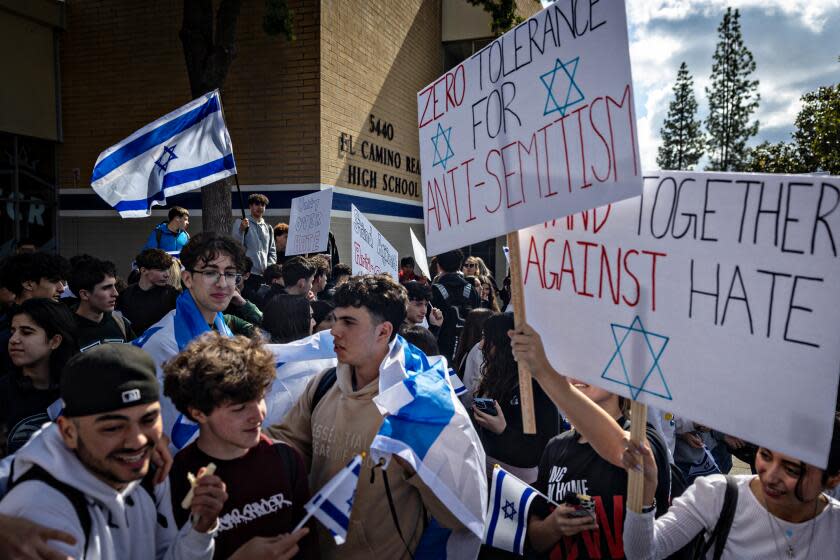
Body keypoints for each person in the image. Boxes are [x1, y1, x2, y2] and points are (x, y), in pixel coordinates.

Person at [267, 275, 467, 558]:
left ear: (383, 332)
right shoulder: (323, 385)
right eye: (335, 319)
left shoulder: (415, 407)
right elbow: (285, 447)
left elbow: (455, 511)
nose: (334, 331)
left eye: (348, 322)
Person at [0, 343, 226, 559]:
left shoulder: (148, 471)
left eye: (148, 419)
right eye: (113, 427)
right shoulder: (42, 513)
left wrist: (199, 529)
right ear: (68, 433)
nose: (137, 440)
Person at [508, 324, 672, 559]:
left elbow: (624, 451)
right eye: (570, 365)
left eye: (589, 365)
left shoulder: (644, 438)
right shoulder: (555, 448)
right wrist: (553, 527)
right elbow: (535, 537)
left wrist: (545, 373)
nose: (575, 375)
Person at [164, 333, 319, 559]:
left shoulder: (285, 458)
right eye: (239, 409)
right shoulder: (174, 479)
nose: (258, 415)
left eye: (260, 398)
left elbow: (308, 546)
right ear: (198, 412)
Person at [623, 413, 840, 559]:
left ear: (832, 479)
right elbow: (643, 553)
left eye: (792, 469)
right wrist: (644, 492)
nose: (771, 475)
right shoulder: (716, 496)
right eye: (765, 455)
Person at [133, 232, 247, 446]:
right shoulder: (166, 343)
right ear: (187, 279)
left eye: (230, 274)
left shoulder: (220, 325)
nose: (222, 283)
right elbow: (172, 431)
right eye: (211, 273)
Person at [470, 313, 558, 484]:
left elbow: (542, 447)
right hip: (488, 474)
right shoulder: (497, 378)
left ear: (503, 344)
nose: (482, 346)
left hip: (520, 487)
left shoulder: (536, 386)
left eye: (488, 339)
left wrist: (503, 431)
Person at [0, 299, 79, 456]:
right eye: (12, 331)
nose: (14, 339)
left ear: (55, 341)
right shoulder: (3, 392)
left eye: (26, 332)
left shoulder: (78, 390)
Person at [0, 252, 69, 376]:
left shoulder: (62, 319)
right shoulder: (5, 334)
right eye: (54, 281)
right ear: (28, 284)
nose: (61, 288)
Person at [68, 255, 135, 349]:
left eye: (114, 286)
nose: (115, 293)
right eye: (106, 288)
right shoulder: (66, 329)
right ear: (84, 294)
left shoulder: (120, 323)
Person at [431, 249, 480, 362]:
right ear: (460, 265)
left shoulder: (435, 290)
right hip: (467, 351)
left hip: (441, 351)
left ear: (438, 266)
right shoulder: (471, 290)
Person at [117, 249, 180, 335]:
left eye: (168, 269)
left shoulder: (173, 295)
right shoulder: (125, 296)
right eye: (161, 270)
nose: (167, 275)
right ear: (143, 270)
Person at [233, 194, 276, 289]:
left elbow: (272, 252)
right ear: (250, 206)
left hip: (264, 277)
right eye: (257, 204)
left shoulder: (268, 228)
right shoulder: (240, 222)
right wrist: (241, 230)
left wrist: (269, 269)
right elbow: (236, 246)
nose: (260, 207)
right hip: (248, 275)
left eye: (263, 204)